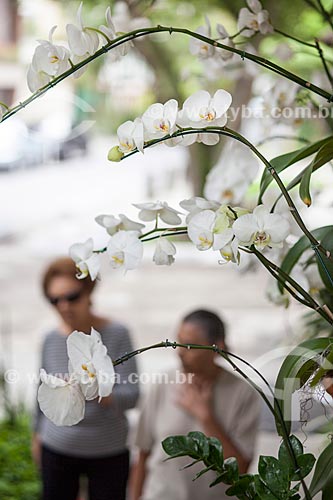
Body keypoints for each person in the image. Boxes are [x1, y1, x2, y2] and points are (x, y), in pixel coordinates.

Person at [32, 257, 139, 500]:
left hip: (107, 449)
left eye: (71, 297)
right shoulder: (50, 339)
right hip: (56, 446)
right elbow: (40, 391)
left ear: (89, 290)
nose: (63, 306)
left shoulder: (117, 334)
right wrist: (36, 435)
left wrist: (97, 389)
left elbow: (133, 396)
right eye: (54, 300)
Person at [130, 309, 260, 500]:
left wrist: (206, 417)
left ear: (217, 347)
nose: (180, 352)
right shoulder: (163, 384)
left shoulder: (243, 393)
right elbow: (142, 455)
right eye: (178, 342)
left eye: (190, 346)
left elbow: (239, 470)